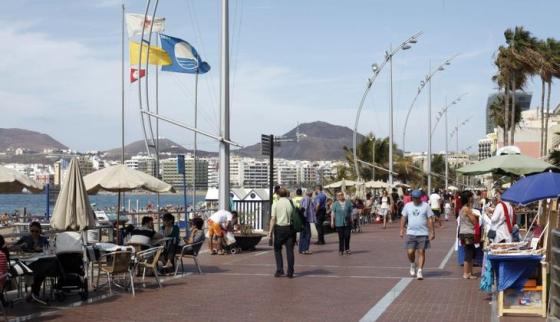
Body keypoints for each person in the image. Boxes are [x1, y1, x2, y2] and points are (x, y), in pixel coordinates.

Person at [400, 189, 435, 280]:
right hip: (411, 233)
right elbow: (403, 218)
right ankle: (412, 264)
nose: (415, 199)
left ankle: (419, 271)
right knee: (410, 252)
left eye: (417, 198)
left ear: (420, 198)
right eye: (414, 198)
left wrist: (432, 232)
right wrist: (401, 229)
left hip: (423, 233)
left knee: (421, 252)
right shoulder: (408, 206)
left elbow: (430, 219)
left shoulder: (426, 206)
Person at [268, 188, 295, 278]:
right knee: (290, 250)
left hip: (279, 228)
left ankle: (280, 270)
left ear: (278, 195)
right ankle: (290, 271)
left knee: (277, 249)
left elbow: (273, 219)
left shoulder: (275, 204)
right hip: (290, 228)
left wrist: (270, 232)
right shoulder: (291, 203)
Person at [458, 191, 478, 279]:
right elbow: (474, 220)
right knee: (469, 252)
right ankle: (466, 273)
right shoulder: (466, 209)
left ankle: (470, 272)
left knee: (471, 252)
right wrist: (476, 217)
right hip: (468, 233)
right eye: (471, 197)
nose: (472, 198)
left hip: (465, 232)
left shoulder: (463, 208)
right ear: (468, 198)